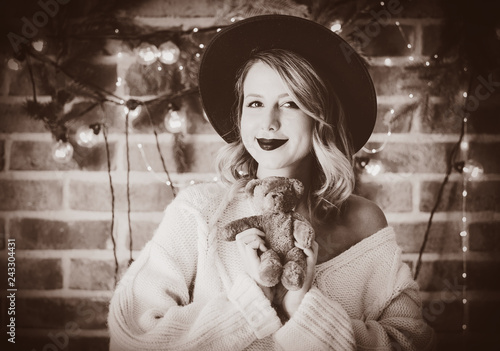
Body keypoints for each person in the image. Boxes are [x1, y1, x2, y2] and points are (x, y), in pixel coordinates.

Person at [108, 15, 435, 350]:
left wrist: (303, 309)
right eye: (255, 103)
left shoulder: (365, 221)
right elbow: (130, 337)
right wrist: (252, 302)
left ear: (320, 118)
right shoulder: (199, 211)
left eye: (290, 103)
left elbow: (411, 341)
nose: (268, 122)